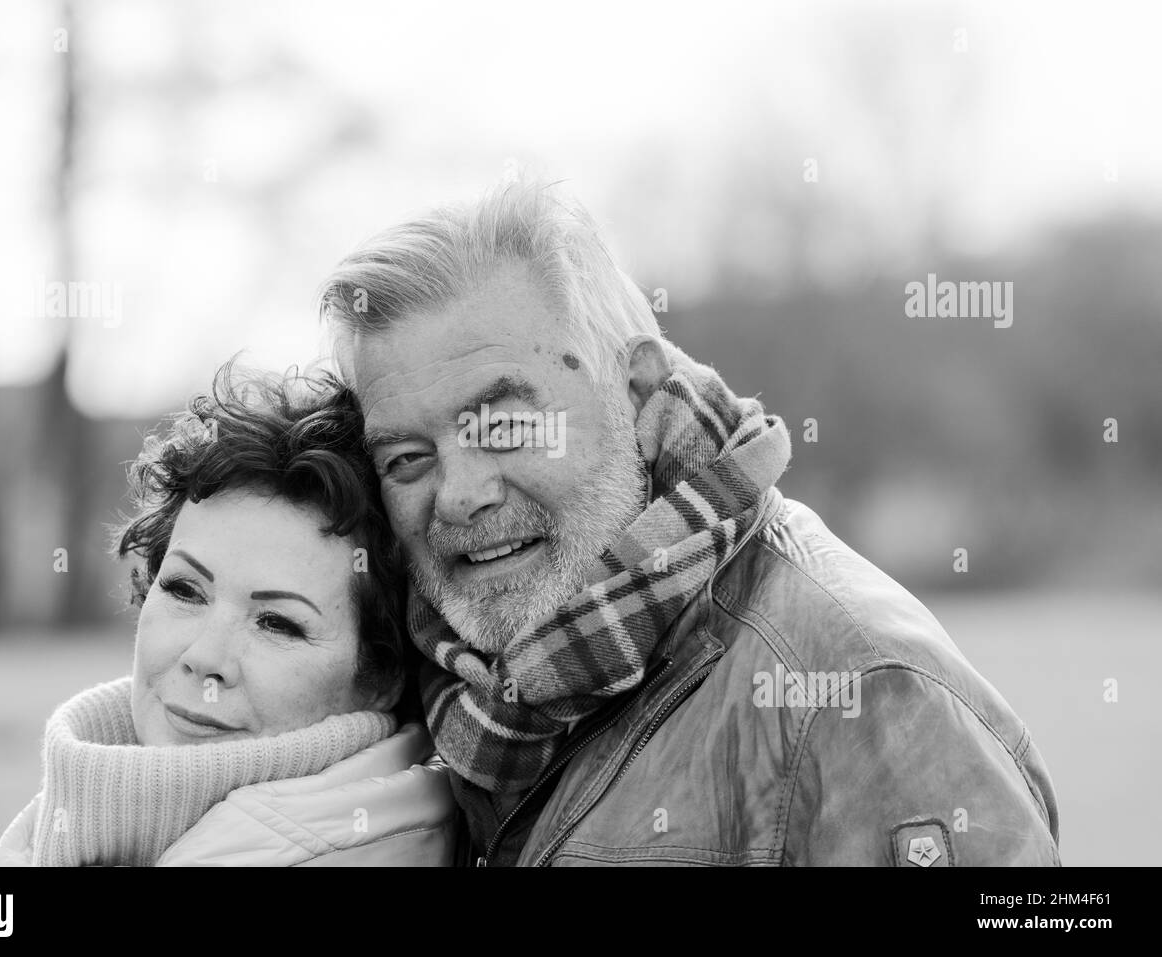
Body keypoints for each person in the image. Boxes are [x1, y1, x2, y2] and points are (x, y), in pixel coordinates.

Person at [316, 174, 1061, 866]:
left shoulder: (858, 694)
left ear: (638, 392)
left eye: (504, 425)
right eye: (407, 458)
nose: (458, 494)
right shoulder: (421, 694)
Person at [0, 362, 456, 866]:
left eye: (277, 623)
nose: (205, 659)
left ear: (381, 676)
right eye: (185, 590)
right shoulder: (57, 830)